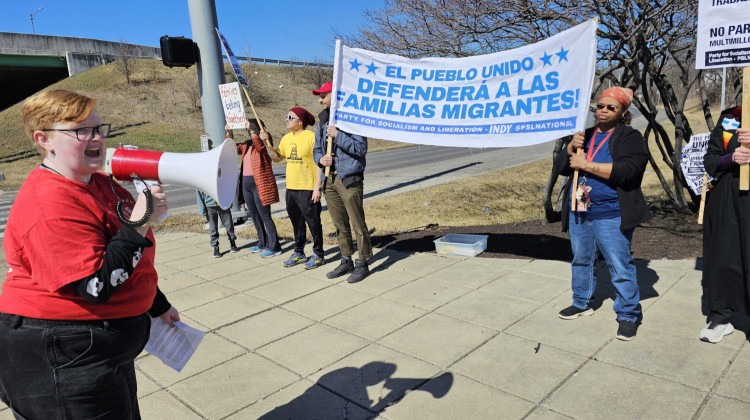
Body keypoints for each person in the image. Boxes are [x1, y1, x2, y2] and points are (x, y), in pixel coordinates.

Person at [0, 90, 180, 419]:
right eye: (81, 130)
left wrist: (157, 304)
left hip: (101, 349)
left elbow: (124, 254)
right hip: (62, 354)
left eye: (98, 128)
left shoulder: (98, 182)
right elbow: (95, 285)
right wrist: (140, 222)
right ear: (44, 139)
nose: (96, 137)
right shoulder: (49, 203)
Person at [553, 86, 649, 341]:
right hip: (580, 210)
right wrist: (570, 148)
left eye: (611, 107)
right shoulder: (585, 135)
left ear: (623, 111)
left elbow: (630, 171)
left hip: (611, 212)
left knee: (619, 264)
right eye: (600, 106)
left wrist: (588, 165)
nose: (603, 111)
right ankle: (582, 302)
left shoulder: (629, 137)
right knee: (581, 259)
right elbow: (562, 168)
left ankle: (629, 314)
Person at [312, 82, 373, 284]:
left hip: (349, 179)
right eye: (319, 96)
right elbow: (317, 150)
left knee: (357, 223)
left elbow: (360, 148)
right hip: (329, 179)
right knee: (339, 224)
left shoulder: (352, 118)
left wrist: (338, 135)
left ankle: (363, 262)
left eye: (323, 95)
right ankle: (346, 259)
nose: (320, 99)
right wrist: (321, 160)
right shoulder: (322, 122)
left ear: (334, 95)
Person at [701, 106, 749, 343]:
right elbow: (710, 159)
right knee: (724, 255)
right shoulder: (731, 118)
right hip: (727, 196)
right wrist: (731, 157)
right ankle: (721, 317)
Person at [264, 107, 326, 269]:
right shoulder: (286, 138)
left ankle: (318, 254)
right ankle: (299, 252)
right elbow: (277, 158)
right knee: (296, 223)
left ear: (301, 121)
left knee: (313, 222)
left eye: (290, 117)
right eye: (286, 116)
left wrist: (317, 187)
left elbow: (320, 163)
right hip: (291, 188)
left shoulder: (311, 137)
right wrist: (266, 142)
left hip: (308, 187)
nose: (287, 119)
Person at [228, 118, 281, 259]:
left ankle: (274, 246)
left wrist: (254, 132)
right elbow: (231, 149)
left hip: (260, 184)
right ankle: (262, 242)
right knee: (255, 215)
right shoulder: (247, 144)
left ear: (260, 127)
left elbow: (261, 148)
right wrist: (229, 134)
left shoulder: (265, 140)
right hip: (246, 184)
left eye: (251, 127)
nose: (249, 130)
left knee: (265, 216)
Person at [196, 188, 239, 258]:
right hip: (209, 205)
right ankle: (215, 248)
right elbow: (199, 192)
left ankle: (232, 243)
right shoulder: (202, 177)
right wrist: (202, 210)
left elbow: (226, 187)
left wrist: (229, 202)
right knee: (213, 228)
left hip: (223, 202)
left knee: (229, 224)